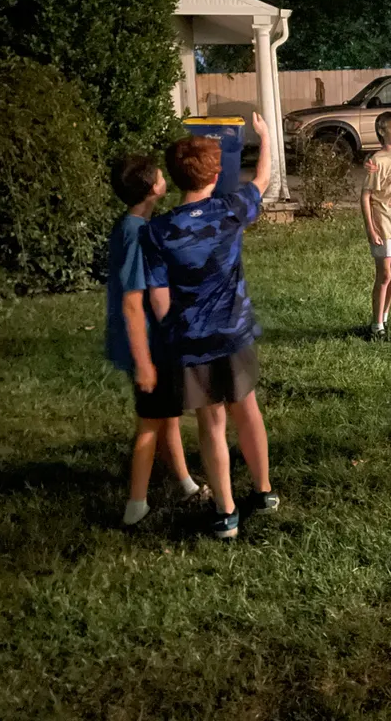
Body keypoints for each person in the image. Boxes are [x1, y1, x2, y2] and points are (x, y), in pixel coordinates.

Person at [143, 113, 279, 540]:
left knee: (212, 423)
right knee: (248, 411)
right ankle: (263, 492)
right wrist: (265, 137)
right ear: (217, 175)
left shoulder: (158, 231)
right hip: (234, 334)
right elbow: (263, 178)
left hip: (192, 343)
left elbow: (159, 299)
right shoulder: (230, 209)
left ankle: (226, 512)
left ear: (175, 177)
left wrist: (171, 333)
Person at [106, 155, 204, 527]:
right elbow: (132, 303)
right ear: (152, 189)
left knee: (166, 416)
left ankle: (185, 484)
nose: (165, 179)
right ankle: (136, 507)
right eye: (161, 177)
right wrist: (144, 362)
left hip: (154, 342)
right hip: (148, 345)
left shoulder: (133, 224)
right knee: (150, 423)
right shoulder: (137, 234)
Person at [361, 111, 391, 339]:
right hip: (383, 223)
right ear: (382, 131)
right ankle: (376, 325)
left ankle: (385, 316)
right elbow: (365, 196)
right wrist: (371, 229)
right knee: (385, 274)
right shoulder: (376, 161)